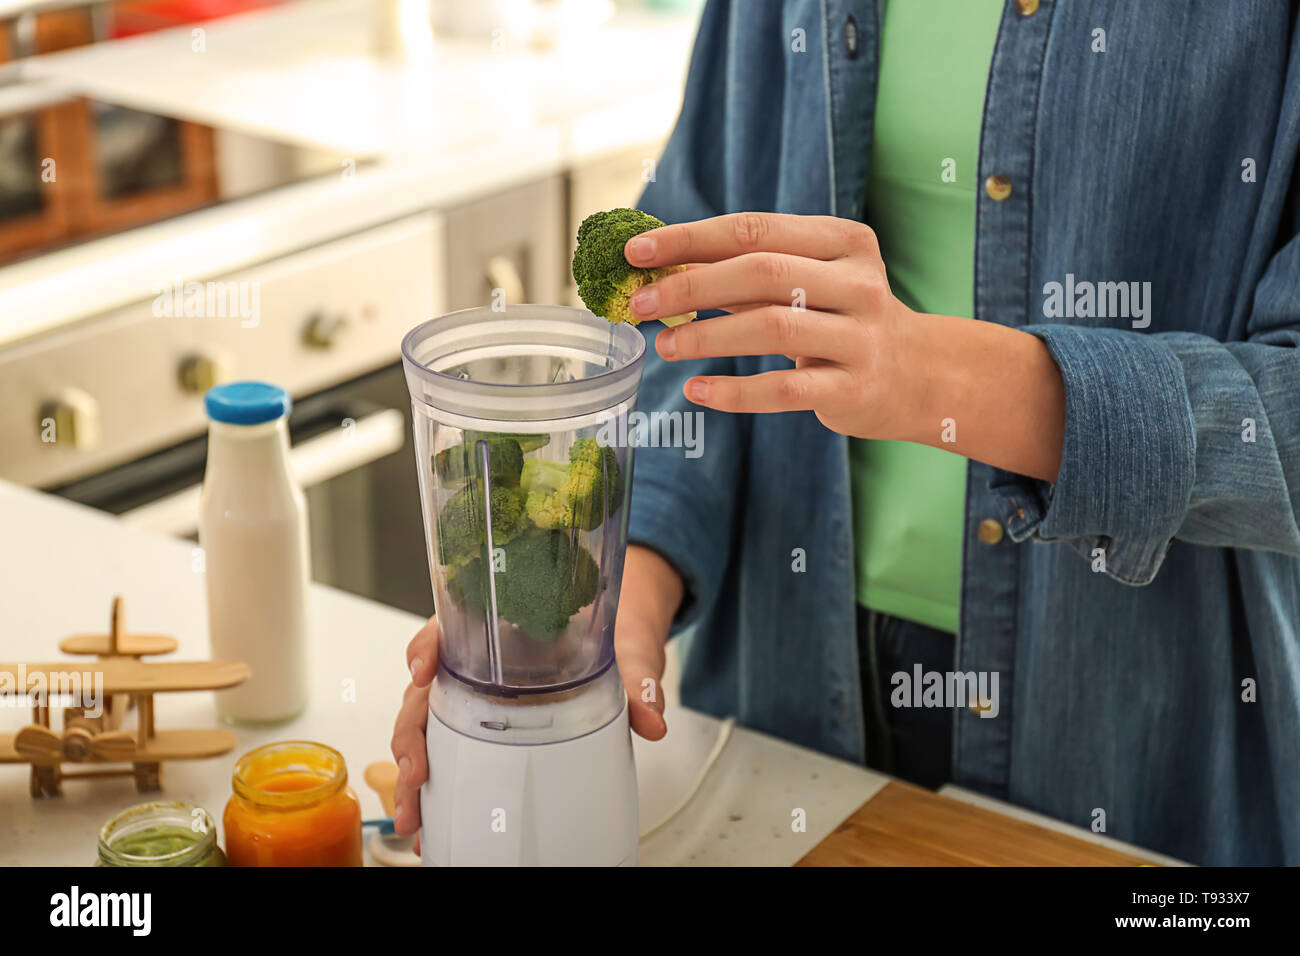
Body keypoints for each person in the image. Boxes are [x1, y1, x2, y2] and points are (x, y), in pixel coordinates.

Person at [393, 0, 1300, 865]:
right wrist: (609, 605)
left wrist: (936, 373)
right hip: (780, 704)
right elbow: (688, 296)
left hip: (1143, 752)